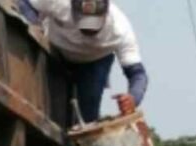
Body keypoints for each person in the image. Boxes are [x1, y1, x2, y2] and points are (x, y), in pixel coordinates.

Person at [18, 0, 148, 122]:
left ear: (106, 13)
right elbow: (25, 3)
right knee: (47, 106)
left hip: (94, 63)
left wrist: (133, 98)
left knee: (88, 117)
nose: (89, 28)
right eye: (84, 20)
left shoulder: (120, 29)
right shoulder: (60, 3)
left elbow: (138, 74)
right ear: (73, 10)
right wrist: (34, 26)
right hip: (55, 50)